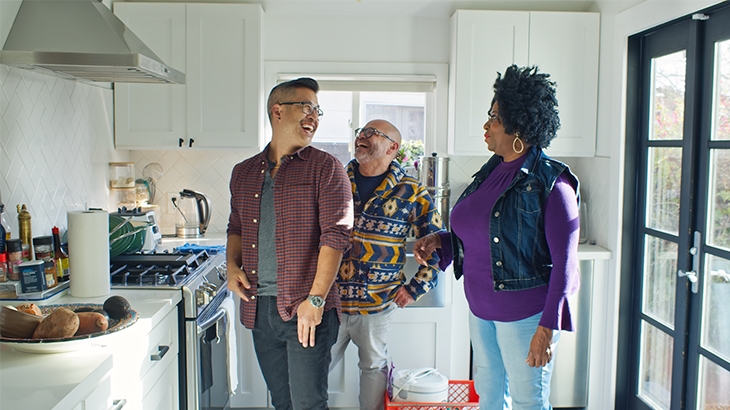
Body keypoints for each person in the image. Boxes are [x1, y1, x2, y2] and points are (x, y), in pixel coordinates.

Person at [413, 65, 580, 410]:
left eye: (494, 117)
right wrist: (441, 242)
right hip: (481, 309)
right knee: (488, 399)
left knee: (527, 402)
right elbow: (482, 234)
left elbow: (566, 265)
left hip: (526, 317)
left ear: (518, 127)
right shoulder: (490, 170)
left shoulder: (551, 184)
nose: (486, 125)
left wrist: (547, 329)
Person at [226, 77, 354, 410]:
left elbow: (336, 236)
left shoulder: (326, 168)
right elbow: (236, 225)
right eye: (306, 107)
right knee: (282, 403)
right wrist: (230, 265)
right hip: (258, 308)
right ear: (278, 111)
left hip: (305, 308)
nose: (314, 116)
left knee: (308, 404)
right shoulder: (243, 172)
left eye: (317, 110)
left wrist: (315, 300)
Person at [330, 119, 444, 410]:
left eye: (372, 133)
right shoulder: (336, 180)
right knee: (316, 365)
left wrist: (416, 288)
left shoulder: (413, 191)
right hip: (331, 300)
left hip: (379, 301)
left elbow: (437, 242)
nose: (363, 137)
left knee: (373, 367)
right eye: (361, 133)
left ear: (393, 147)